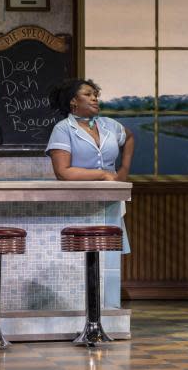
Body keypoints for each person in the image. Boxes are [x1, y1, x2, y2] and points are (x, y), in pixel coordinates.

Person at [46, 78, 134, 252]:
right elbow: (63, 172)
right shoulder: (63, 129)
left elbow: (130, 138)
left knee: (109, 256)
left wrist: (124, 169)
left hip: (110, 199)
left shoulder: (109, 124)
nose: (94, 98)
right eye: (88, 94)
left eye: (95, 94)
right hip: (77, 202)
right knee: (82, 251)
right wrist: (103, 175)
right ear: (73, 101)